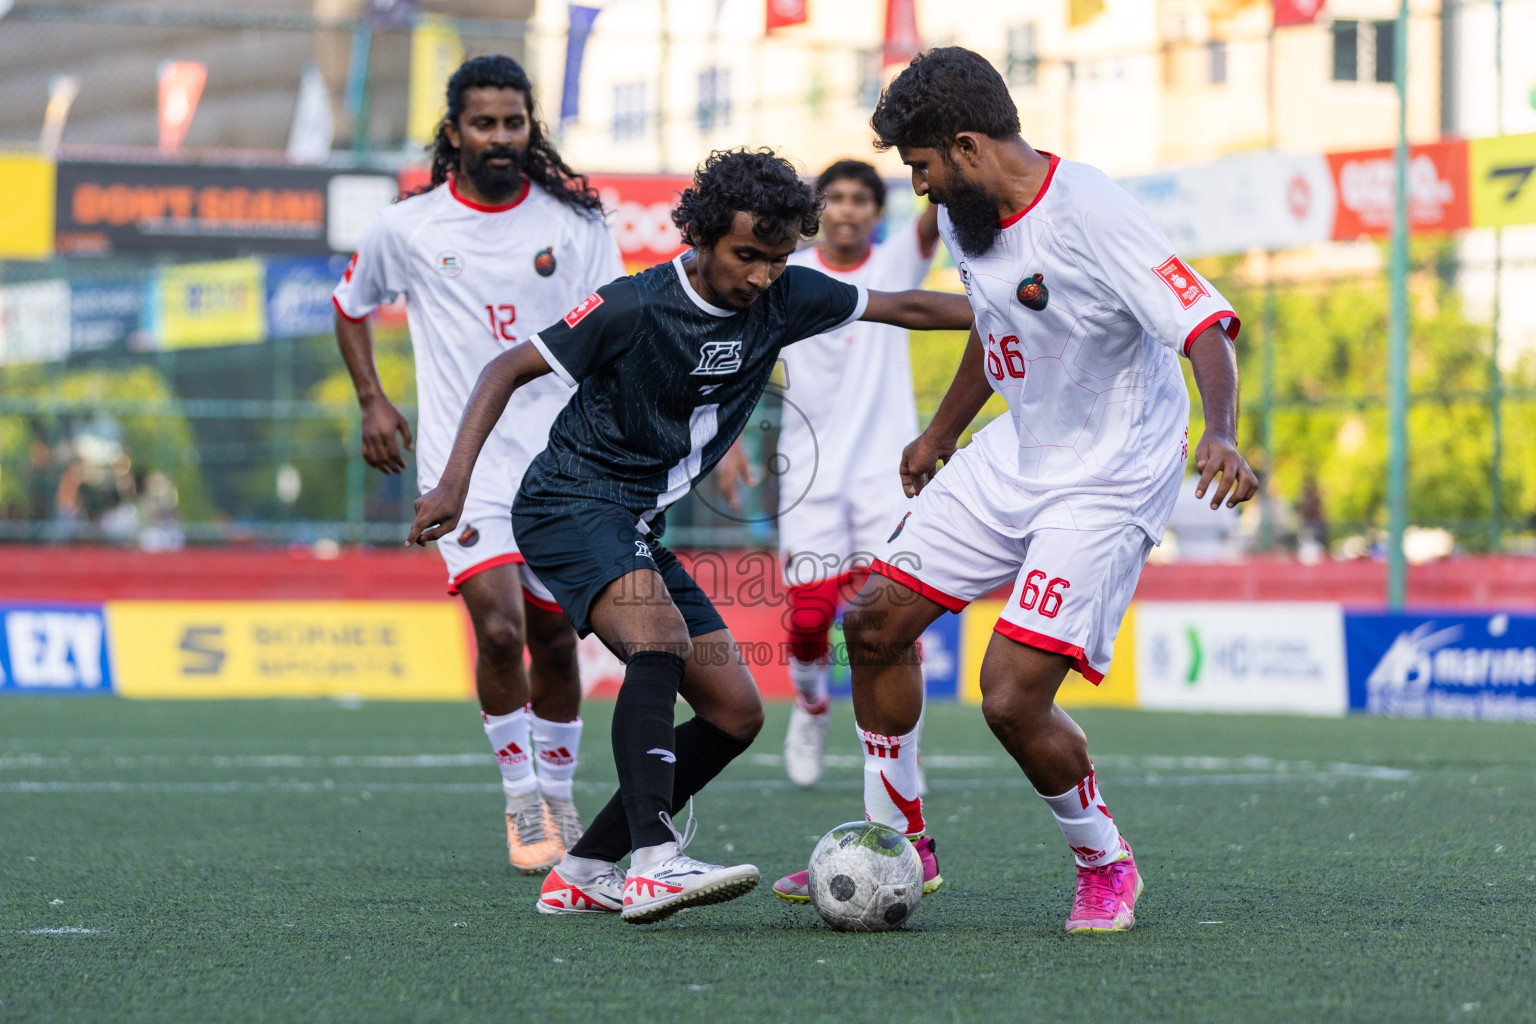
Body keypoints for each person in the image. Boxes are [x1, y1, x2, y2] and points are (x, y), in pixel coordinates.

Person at [407, 147, 973, 924]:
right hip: (569, 502)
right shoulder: (632, 305)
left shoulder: (785, 296)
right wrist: (453, 482)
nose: (762, 276)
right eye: (746, 255)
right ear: (703, 237)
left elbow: (907, 307)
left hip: (634, 521)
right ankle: (653, 860)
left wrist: (1017, 308)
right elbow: (506, 368)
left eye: (777, 258)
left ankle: (582, 869)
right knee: (658, 639)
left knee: (736, 713)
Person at [775, 47, 1258, 933]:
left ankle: (1106, 862)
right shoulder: (971, 214)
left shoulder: (1091, 207)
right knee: (873, 621)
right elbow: (998, 325)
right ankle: (898, 841)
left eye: (919, 167)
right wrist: (944, 428)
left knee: (1009, 696)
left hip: (1111, 475)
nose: (916, 189)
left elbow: (1205, 324)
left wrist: (1222, 430)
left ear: (965, 144)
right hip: (1018, 452)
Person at [333, 55, 624, 875]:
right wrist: (371, 400)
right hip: (464, 472)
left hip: (563, 467)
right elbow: (350, 307)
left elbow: (615, 333)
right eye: (484, 123)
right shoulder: (409, 226)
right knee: (499, 631)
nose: (501, 137)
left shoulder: (576, 224)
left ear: (531, 128)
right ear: (453, 132)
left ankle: (562, 793)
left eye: (514, 122)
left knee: (558, 641)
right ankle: (522, 796)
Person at [772, 160, 941, 790]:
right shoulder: (789, 275)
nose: (846, 209)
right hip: (810, 468)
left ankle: (903, 754)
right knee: (810, 618)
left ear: (877, 210)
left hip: (885, 471)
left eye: (860, 199)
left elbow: (935, 217)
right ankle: (812, 706)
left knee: (894, 619)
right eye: (835, 198)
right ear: (820, 210)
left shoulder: (896, 262)